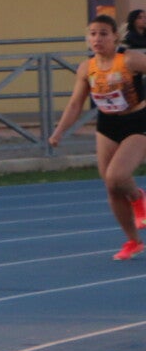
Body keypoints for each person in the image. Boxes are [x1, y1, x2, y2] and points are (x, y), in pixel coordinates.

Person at [46, 16, 146, 260]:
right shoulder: (86, 68)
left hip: (137, 121)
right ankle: (133, 241)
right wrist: (59, 132)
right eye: (93, 34)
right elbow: (75, 104)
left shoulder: (130, 59)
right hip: (107, 124)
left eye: (103, 33)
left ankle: (138, 197)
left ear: (115, 36)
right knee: (111, 186)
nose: (97, 39)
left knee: (117, 176)